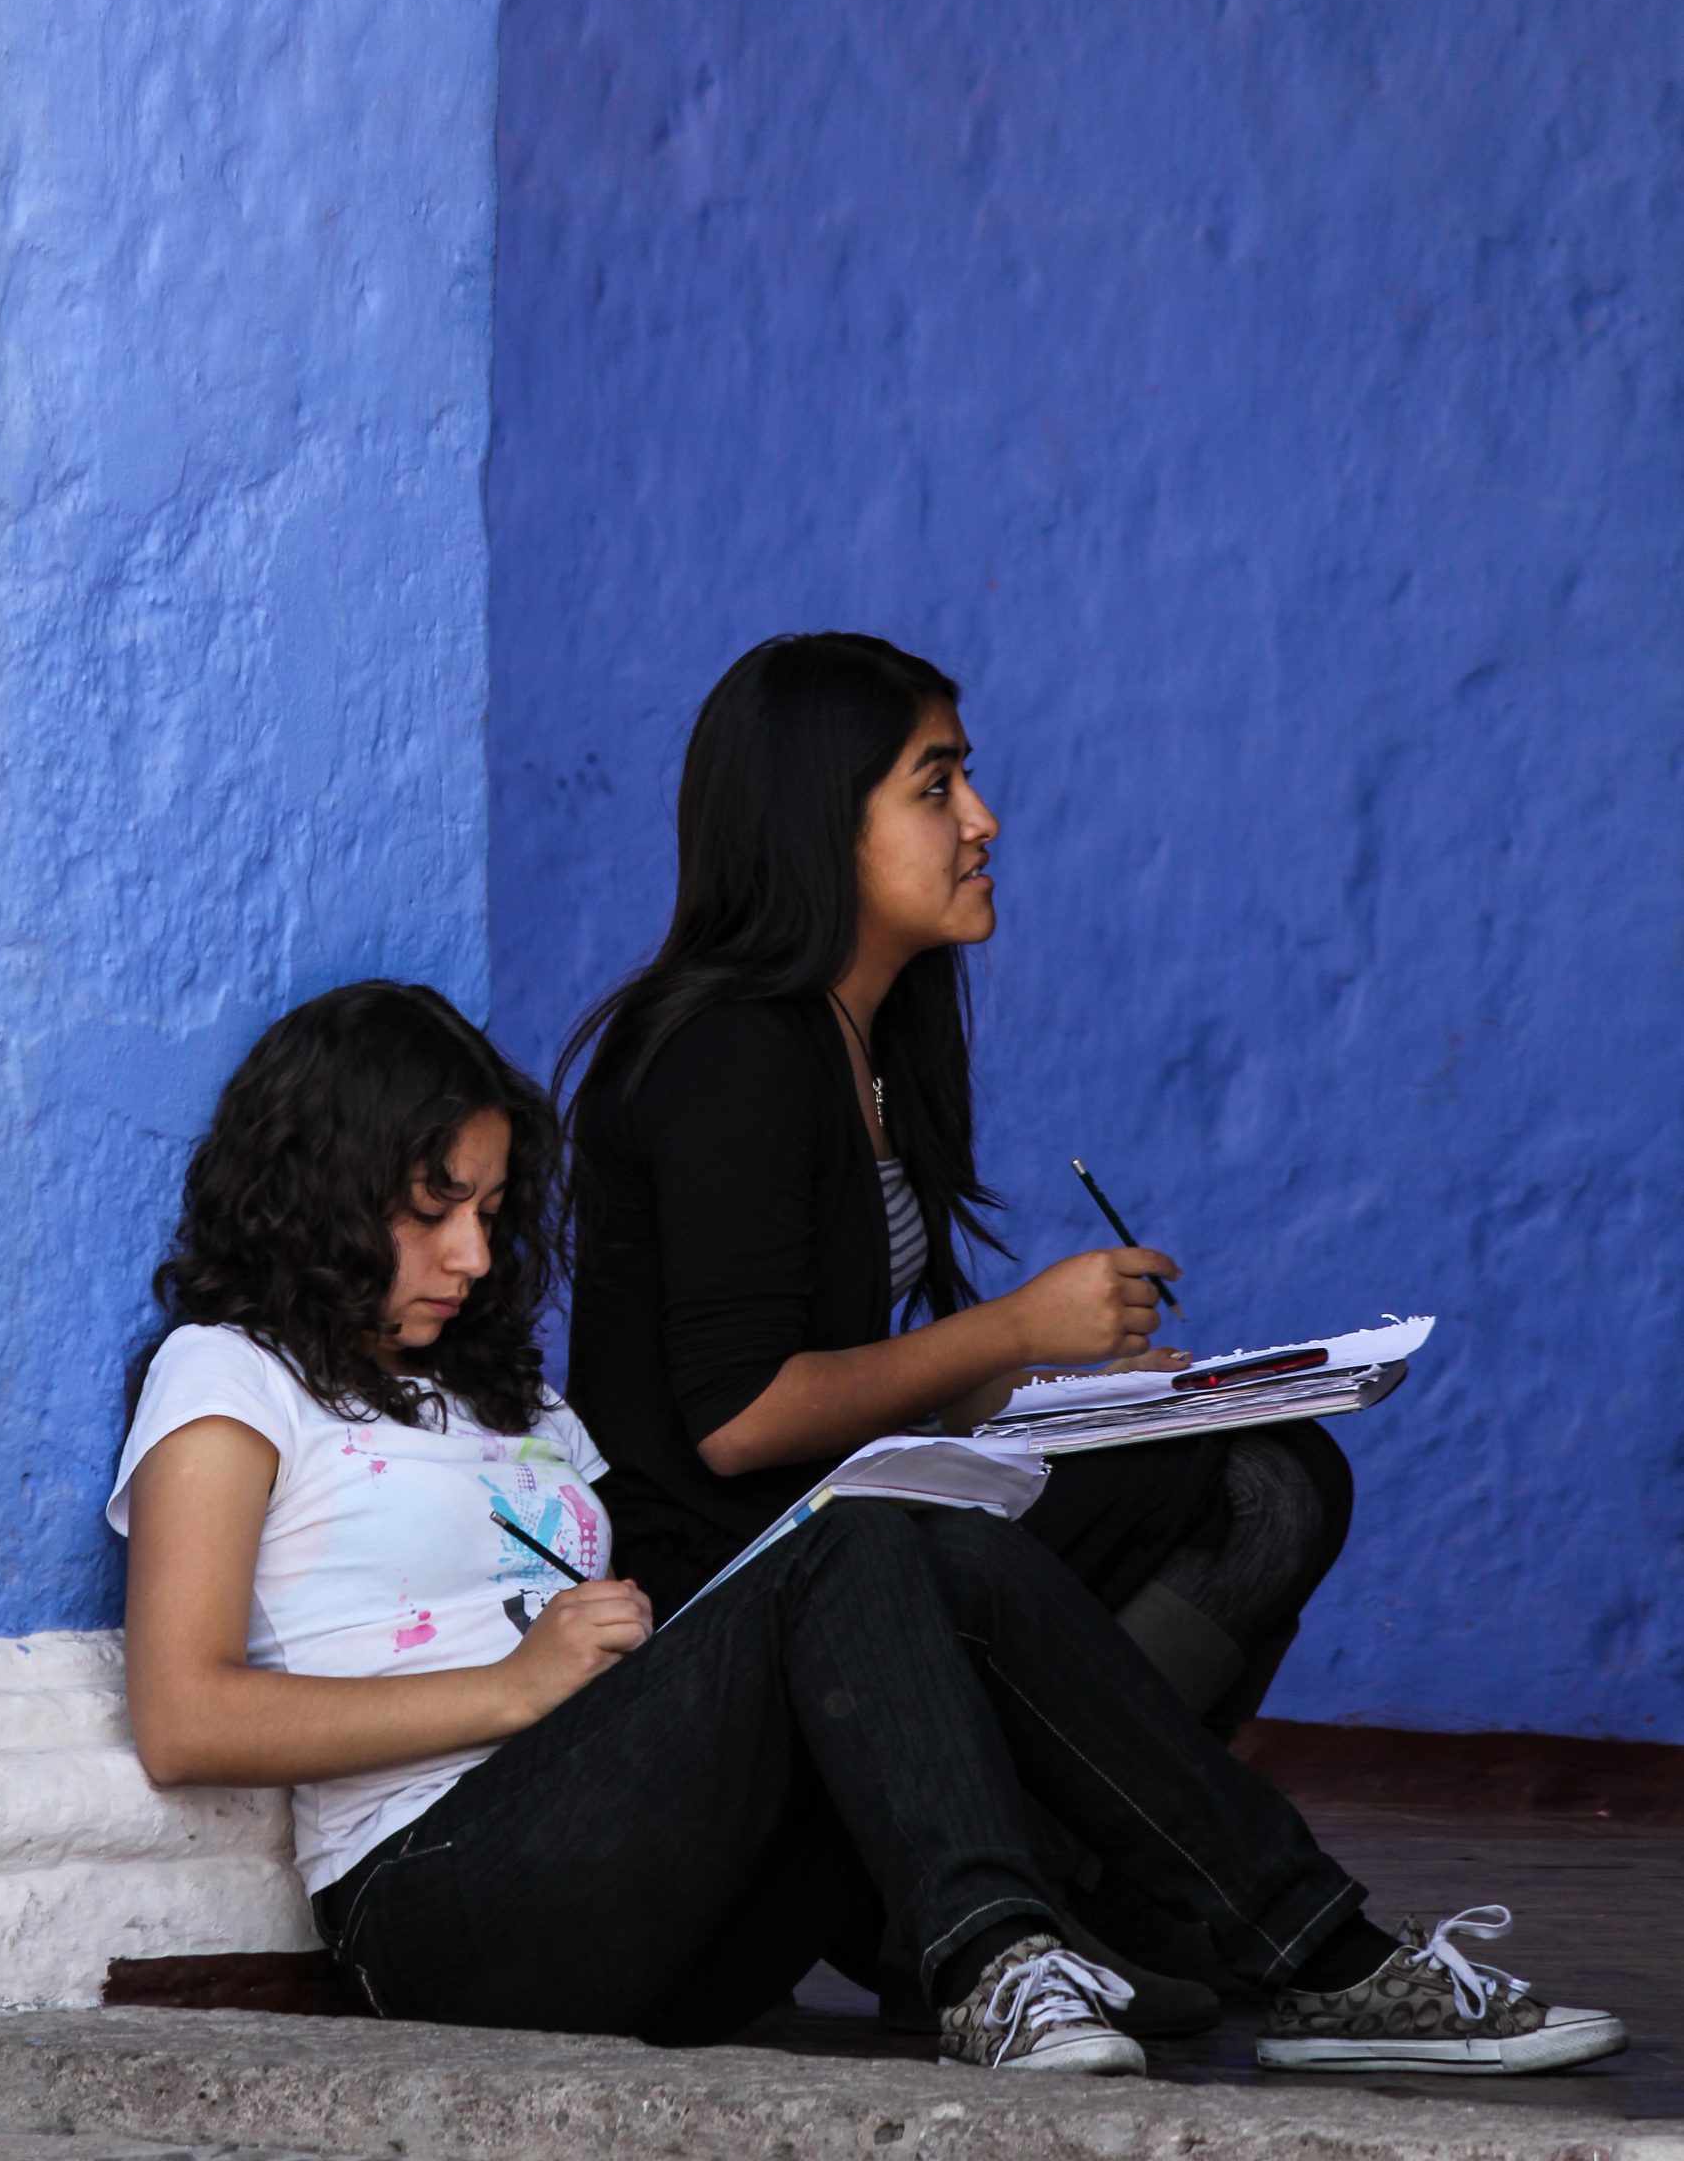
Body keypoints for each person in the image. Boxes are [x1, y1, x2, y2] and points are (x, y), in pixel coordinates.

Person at [113, 982, 1622, 2078]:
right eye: (431, 1208)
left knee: (919, 1529)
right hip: (446, 1905)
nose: (472, 1252)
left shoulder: (506, 1394)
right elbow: (185, 1717)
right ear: (318, 1189)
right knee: (860, 1538)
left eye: (495, 1212)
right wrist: (513, 1691)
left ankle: (1314, 1955)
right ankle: (1005, 1957)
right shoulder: (230, 1374)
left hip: (654, 1895)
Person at [563, 632, 1349, 1743]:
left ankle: (1075, 1819)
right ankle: (1061, 1821)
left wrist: (1064, 1395)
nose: (983, 820)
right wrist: (1012, 1327)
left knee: (1275, 1457)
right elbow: (742, 1420)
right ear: (818, 825)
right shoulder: (730, 1053)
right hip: (728, 1561)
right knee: (1259, 1490)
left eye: (965, 779)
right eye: (935, 788)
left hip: (842, 1507)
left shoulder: (868, 1041)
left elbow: (850, 1371)